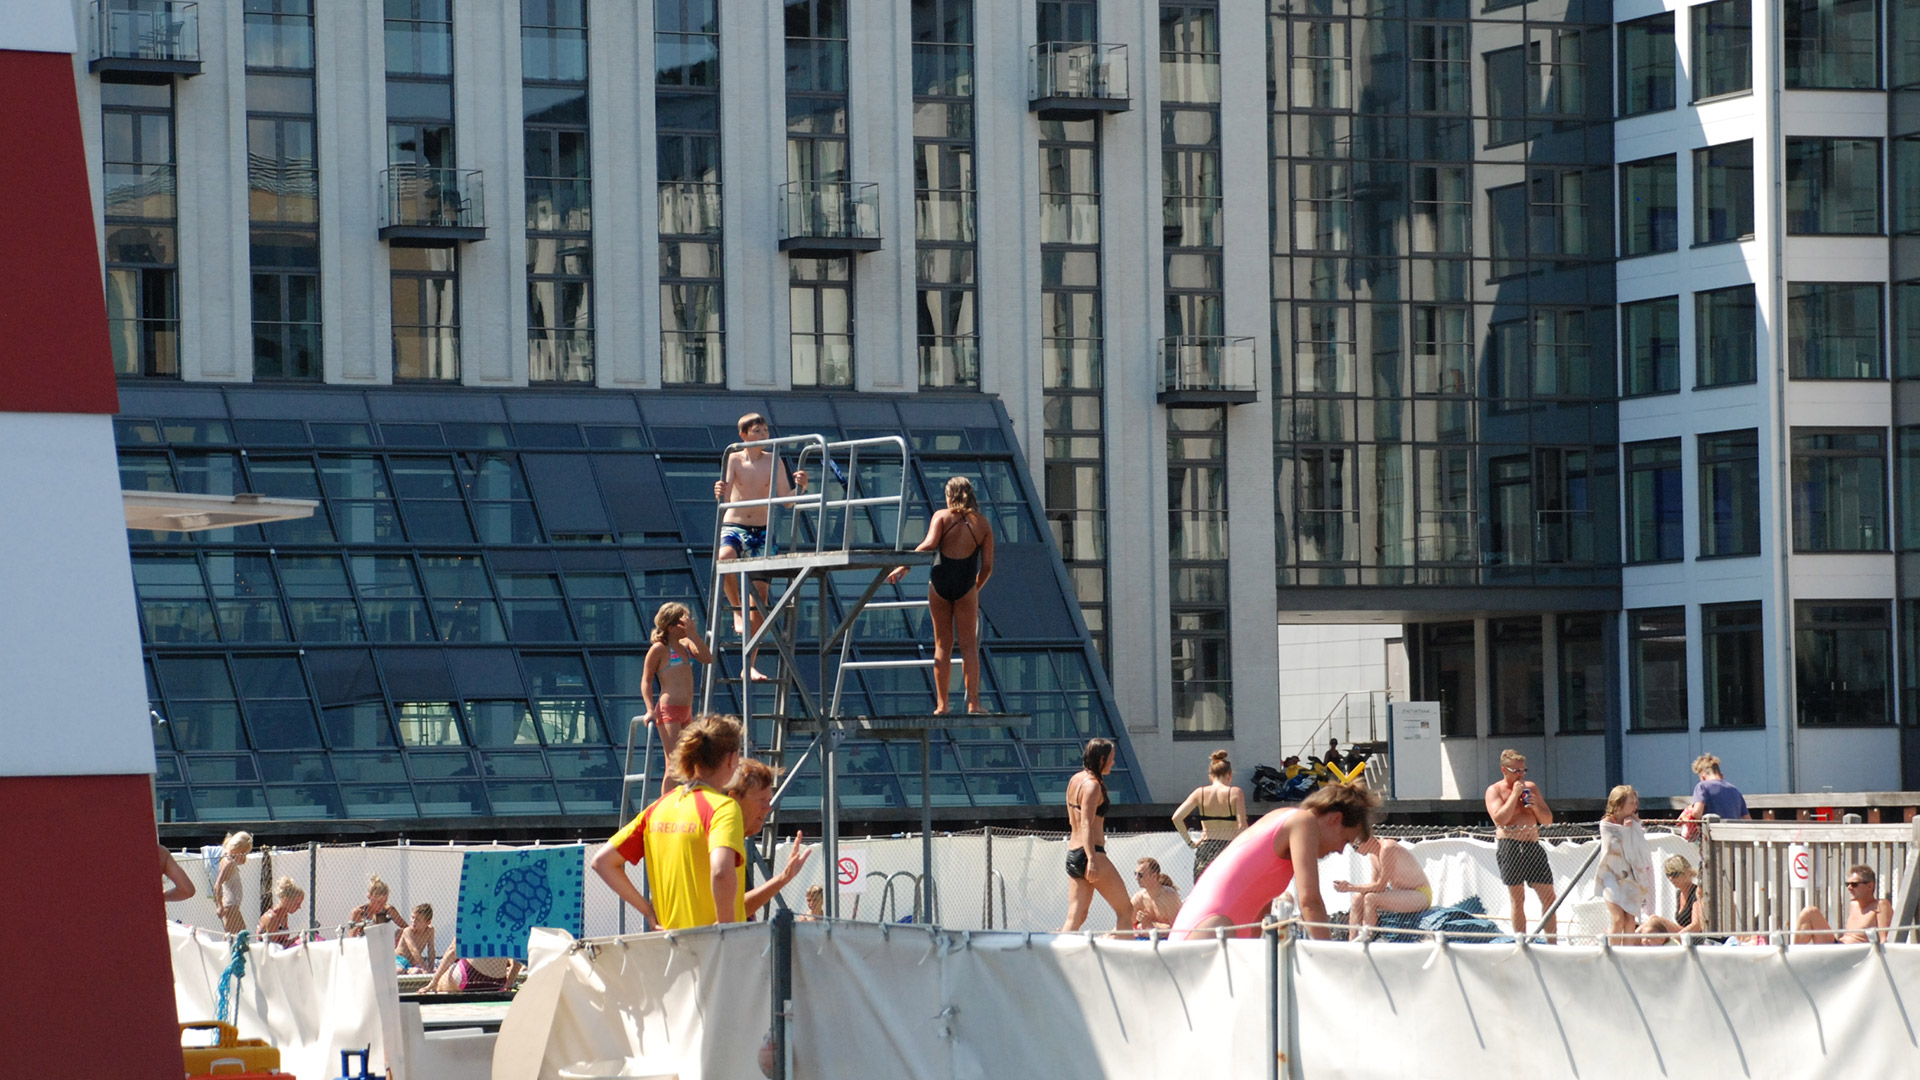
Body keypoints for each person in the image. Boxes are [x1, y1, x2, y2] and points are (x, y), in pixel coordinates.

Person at [591, 714, 748, 930]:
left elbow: (602, 862)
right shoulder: (723, 808)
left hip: (670, 947)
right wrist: (725, 929)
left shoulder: (658, 808)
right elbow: (721, 871)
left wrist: (647, 911)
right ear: (731, 759)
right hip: (711, 949)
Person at [1170, 782, 1381, 940]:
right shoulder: (1302, 821)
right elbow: (1310, 902)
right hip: (1209, 928)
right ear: (1334, 819)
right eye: (1345, 840)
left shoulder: (1283, 822)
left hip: (1208, 929)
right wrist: (1330, 961)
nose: (1340, 850)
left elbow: (1259, 911)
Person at [887, 476, 995, 715]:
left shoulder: (941, 516)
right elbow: (987, 566)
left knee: (942, 645)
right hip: (966, 585)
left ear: (950, 496)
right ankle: (973, 704)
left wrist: (904, 565)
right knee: (968, 647)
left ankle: (942, 705)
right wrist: (973, 589)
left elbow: (929, 544)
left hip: (939, 583)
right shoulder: (983, 525)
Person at [713, 413, 808, 681]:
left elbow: (786, 501)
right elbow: (726, 491)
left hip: (762, 532)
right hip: (736, 525)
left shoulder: (773, 460)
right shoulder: (733, 458)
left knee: (760, 600)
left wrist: (801, 487)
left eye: (765, 431)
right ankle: (736, 610)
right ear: (743, 435)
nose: (763, 435)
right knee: (725, 557)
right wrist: (719, 489)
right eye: (757, 431)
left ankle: (749, 663)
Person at [1059, 738, 1134, 932]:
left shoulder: (1075, 780)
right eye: (1111, 758)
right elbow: (1086, 823)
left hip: (1073, 853)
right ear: (1101, 759)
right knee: (1126, 911)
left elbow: (1071, 820)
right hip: (1091, 854)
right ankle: (1124, 956)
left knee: (1076, 916)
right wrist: (1092, 859)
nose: (1113, 762)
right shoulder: (1093, 786)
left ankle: (1058, 958)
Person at [725, 757, 811, 919]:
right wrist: (782, 878)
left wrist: (784, 877)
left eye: (769, 800)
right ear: (734, 798)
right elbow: (736, 909)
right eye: (762, 800)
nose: (768, 808)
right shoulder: (722, 844)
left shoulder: (734, 841)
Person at [1484, 749, 1557, 940]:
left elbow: (1548, 820)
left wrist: (1535, 806)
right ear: (1504, 770)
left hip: (1532, 845)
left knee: (1549, 897)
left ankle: (1553, 943)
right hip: (1511, 845)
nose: (1521, 775)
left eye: (1524, 770)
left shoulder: (1531, 788)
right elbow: (1500, 819)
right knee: (1518, 898)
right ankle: (1521, 941)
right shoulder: (1495, 791)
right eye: (1516, 771)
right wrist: (1513, 796)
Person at [642, 601, 711, 789]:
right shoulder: (659, 649)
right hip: (669, 709)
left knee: (690, 761)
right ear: (672, 627)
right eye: (683, 622)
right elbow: (646, 680)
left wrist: (693, 634)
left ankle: (684, 802)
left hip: (686, 710)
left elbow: (708, 658)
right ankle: (666, 807)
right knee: (673, 763)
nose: (687, 625)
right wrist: (650, 709)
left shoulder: (686, 643)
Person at [1334, 834, 1432, 941]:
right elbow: (1373, 885)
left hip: (1420, 894)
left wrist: (1350, 887)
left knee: (1370, 898)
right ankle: (1352, 940)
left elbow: (1380, 886)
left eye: (1356, 847)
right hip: (1401, 894)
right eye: (1353, 848)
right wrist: (1351, 889)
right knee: (1357, 898)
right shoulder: (1373, 855)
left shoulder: (1387, 848)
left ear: (1367, 840)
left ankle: (1367, 938)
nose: (1356, 851)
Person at [1170, 750, 1247, 881]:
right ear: (1229, 775)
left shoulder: (1199, 793)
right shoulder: (1235, 793)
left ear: (1210, 776)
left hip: (1206, 848)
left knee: (1203, 891)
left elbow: (1176, 817)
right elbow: (1242, 826)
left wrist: (1190, 843)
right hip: (1228, 848)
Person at [1595, 785, 1655, 941]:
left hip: (1630, 875)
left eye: (1636, 803)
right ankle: (1612, 953)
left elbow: (1639, 847)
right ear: (1618, 804)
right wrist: (1625, 829)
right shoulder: (1607, 823)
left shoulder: (1633, 822)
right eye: (1631, 803)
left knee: (1630, 919)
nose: (1635, 806)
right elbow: (1612, 847)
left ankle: (1627, 953)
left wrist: (1634, 827)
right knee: (1617, 919)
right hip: (1612, 875)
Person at [1794, 864, 1894, 944]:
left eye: (1854, 884)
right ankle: (1792, 956)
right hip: (1840, 947)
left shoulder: (1881, 905)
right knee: (1809, 912)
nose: (1849, 888)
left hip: (1854, 956)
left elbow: (1884, 940)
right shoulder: (1854, 904)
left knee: (1811, 911)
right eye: (1847, 884)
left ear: (1870, 886)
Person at [1634, 855, 1708, 944]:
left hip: (1694, 938)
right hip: (1684, 935)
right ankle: (1633, 941)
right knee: (1652, 923)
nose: (1671, 879)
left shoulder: (1696, 893)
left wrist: (1674, 938)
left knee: (1655, 919)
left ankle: (1630, 942)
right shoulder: (1679, 894)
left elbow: (1697, 925)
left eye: (1674, 874)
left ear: (1686, 872)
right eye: (1668, 875)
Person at [1678, 753, 1750, 835]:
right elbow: (1747, 819)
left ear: (1702, 777)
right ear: (1721, 775)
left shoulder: (1702, 786)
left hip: (1713, 839)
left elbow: (1697, 813)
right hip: (1733, 839)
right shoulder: (1735, 790)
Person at [427, 937, 522, 994]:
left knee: (439, 986)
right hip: (498, 982)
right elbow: (518, 957)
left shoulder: (471, 913)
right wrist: (509, 983)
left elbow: (453, 950)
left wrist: (434, 981)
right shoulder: (512, 918)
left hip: (469, 973)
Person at [212, 831, 252, 934]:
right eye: (244, 852)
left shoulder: (227, 857)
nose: (244, 855)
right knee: (237, 934)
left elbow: (242, 862)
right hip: (230, 904)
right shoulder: (228, 863)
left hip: (233, 903)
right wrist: (220, 906)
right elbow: (217, 884)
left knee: (235, 933)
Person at [1130, 858, 1183, 931]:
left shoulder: (1169, 896)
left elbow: (1177, 928)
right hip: (1146, 940)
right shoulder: (1139, 898)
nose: (1136, 878)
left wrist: (1150, 924)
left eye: (1140, 875)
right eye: (1135, 874)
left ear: (1154, 876)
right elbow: (1125, 923)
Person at [256, 877, 304, 947]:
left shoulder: (284, 916)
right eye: (297, 903)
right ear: (285, 900)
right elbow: (274, 947)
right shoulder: (271, 918)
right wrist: (297, 939)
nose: (299, 907)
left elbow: (283, 942)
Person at [396, 903, 437, 974]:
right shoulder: (408, 931)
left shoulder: (430, 931)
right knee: (399, 971)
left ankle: (408, 972)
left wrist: (431, 968)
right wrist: (425, 967)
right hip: (399, 960)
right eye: (412, 917)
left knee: (417, 972)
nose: (413, 921)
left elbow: (431, 951)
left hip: (411, 964)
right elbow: (413, 950)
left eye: (418, 920)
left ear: (428, 922)